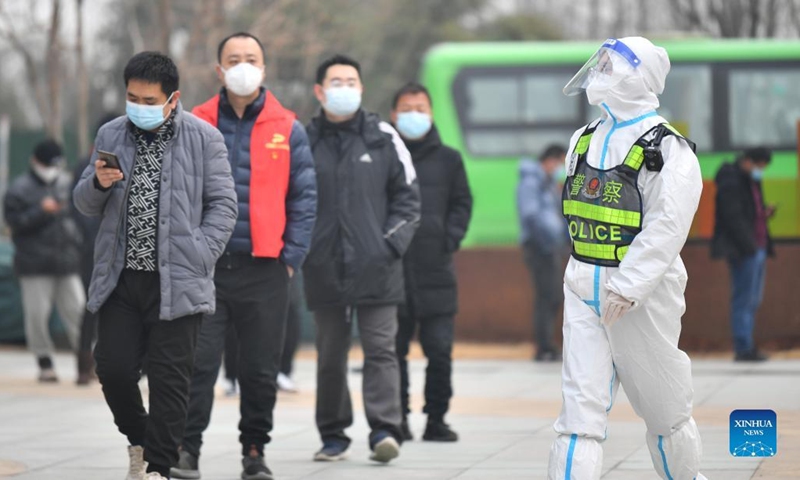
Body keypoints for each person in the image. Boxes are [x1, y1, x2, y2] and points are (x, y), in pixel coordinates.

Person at [73, 51, 237, 480]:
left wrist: (201, 254)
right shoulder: (111, 133)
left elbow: (224, 205)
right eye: (132, 97)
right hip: (121, 279)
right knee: (112, 368)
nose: (139, 107)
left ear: (172, 99)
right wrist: (97, 183)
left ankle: (159, 469)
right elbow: (84, 203)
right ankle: (141, 441)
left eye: (149, 100)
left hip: (178, 278)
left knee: (169, 381)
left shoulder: (205, 138)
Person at [548, 37, 707, 479]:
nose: (598, 74)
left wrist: (630, 285)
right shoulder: (582, 140)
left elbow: (668, 227)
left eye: (609, 66)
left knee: (664, 410)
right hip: (582, 287)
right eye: (598, 64)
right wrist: (587, 281)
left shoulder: (668, 150)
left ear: (640, 77)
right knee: (578, 416)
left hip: (642, 299)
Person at [171, 32, 317, 480]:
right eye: (233, 59)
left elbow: (305, 198)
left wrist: (289, 257)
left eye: (251, 58)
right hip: (206, 270)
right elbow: (175, 193)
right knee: (195, 366)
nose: (242, 66)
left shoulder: (288, 127)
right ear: (219, 70)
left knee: (259, 370)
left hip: (265, 271)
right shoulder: (193, 122)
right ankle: (185, 450)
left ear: (264, 68)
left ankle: (254, 451)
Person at [304, 54, 421, 464]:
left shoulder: (383, 136)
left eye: (351, 81)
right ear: (320, 91)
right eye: (336, 81)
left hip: (377, 265)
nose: (344, 88)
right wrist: (306, 248)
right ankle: (333, 435)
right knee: (330, 354)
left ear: (361, 88)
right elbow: (293, 201)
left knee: (381, 350)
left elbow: (409, 199)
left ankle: (385, 430)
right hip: (323, 265)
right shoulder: (304, 139)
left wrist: (387, 246)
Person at [389, 82, 472, 443]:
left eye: (420, 108)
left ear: (431, 112)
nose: (414, 115)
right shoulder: (385, 155)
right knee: (394, 352)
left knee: (439, 351)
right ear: (394, 114)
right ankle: (399, 420)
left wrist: (448, 238)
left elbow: (462, 203)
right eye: (407, 109)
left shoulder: (449, 159)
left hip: (436, 269)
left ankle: (436, 419)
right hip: (394, 269)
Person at [3, 139, 85, 383]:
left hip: (66, 261)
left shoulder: (66, 183)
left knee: (78, 311)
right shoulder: (19, 189)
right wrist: (41, 211)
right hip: (34, 264)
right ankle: (44, 362)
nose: (52, 169)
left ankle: (86, 359)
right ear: (35, 161)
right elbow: (14, 223)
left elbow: (80, 214)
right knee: (37, 315)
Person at [711, 147, 774, 362]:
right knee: (744, 299)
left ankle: (747, 344)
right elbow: (733, 217)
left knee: (753, 299)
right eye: (759, 166)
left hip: (757, 247)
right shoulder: (731, 180)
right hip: (745, 250)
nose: (760, 171)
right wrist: (749, 246)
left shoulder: (750, 180)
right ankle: (743, 348)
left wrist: (765, 213)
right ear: (748, 161)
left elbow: (750, 211)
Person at [72, 113, 120, 386]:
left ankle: (105, 363)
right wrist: (96, 236)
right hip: (92, 249)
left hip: (118, 248)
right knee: (92, 306)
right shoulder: (85, 164)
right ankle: (83, 364)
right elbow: (77, 204)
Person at [516, 144, 569, 362]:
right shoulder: (531, 183)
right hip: (539, 247)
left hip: (549, 247)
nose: (562, 168)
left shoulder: (547, 183)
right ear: (550, 160)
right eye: (561, 163)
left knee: (552, 296)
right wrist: (547, 240)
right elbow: (530, 215)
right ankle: (543, 348)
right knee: (547, 297)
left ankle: (547, 345)